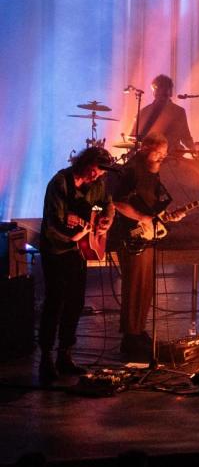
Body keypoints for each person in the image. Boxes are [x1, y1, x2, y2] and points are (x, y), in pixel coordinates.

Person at [38, 146, 114, 383]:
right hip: (56, 249)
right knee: (55, 302)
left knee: (75, 302)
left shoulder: (98, 184)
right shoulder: (60, 183)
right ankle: (46, 358)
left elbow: (107, 205)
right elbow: (55, 224)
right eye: (95, 170)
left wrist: (105, 223)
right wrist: (76, 235)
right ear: (86, 162)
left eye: (101, 173)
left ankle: (65, 355)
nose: (98, 175)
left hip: (78, 253)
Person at [110, 133, 172, 361]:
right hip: (131, 236)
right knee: (134, 285)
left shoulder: (151, 173)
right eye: (158, 153)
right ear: (146, 149)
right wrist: (142, 218)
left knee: (145, 286)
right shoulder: (131, 170)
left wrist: (161, 216)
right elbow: (118, 201)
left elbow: (152, 202)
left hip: (147, 236)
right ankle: (129, 337)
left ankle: (138, 331)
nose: (161, 158)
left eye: (164, 154)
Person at [135, 74, 194, 151]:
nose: (161, 93)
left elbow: (186, 138)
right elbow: (135, 139)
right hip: (153, 158)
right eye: (159, 89)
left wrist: (197, 151)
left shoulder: (178, 112)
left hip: (170, 157)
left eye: (164, 89)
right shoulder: (143, 112)